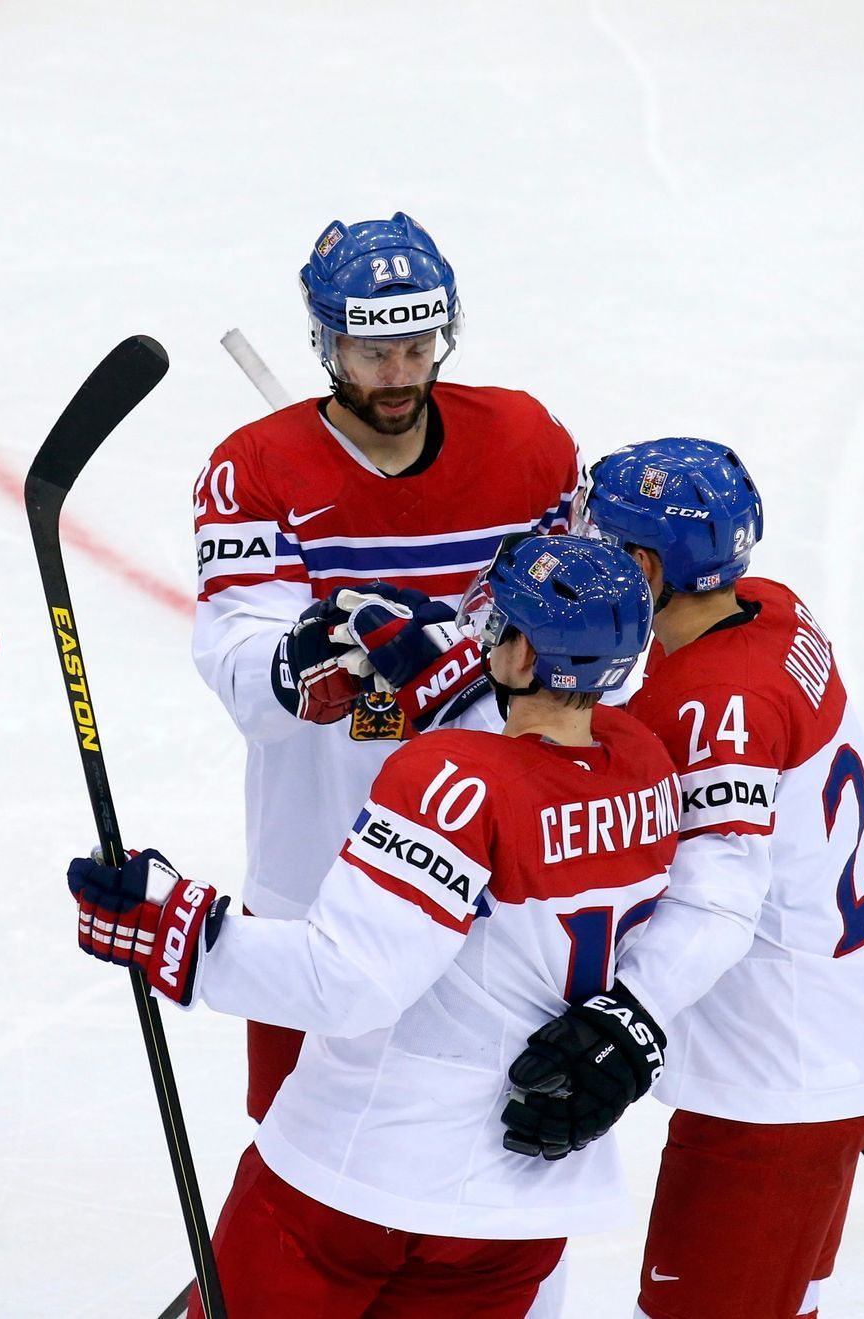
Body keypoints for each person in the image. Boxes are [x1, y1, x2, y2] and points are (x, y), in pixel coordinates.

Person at [74, 536, 677, 1318]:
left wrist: (174, 928)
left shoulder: (451, 780)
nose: (482, 631)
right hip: (520, 1201)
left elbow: (345, 981)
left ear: (524, 653)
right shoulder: (643, 761)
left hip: (359, 1177)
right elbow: (534, 783)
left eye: (501, 625)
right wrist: (462, 698)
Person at [501, 439, 864, 1319]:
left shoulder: (710, 709)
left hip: (777, 1080)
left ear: (647, 564)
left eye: (604, 542)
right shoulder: (772, 609)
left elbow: (718, 893)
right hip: (840, 1030)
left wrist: (631, 1020)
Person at [190, 212, 582, 1130]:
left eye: (415, 344)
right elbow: (240, 652)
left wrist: (477, 655)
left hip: (491, 851)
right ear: (325, 343)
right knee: (294, 1124)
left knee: (491, 1122)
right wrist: (300, 663)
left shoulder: (525, 442)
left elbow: (579, 622)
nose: (398, 374)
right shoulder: (256, 469)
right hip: (320, 849)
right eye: (371, 352)